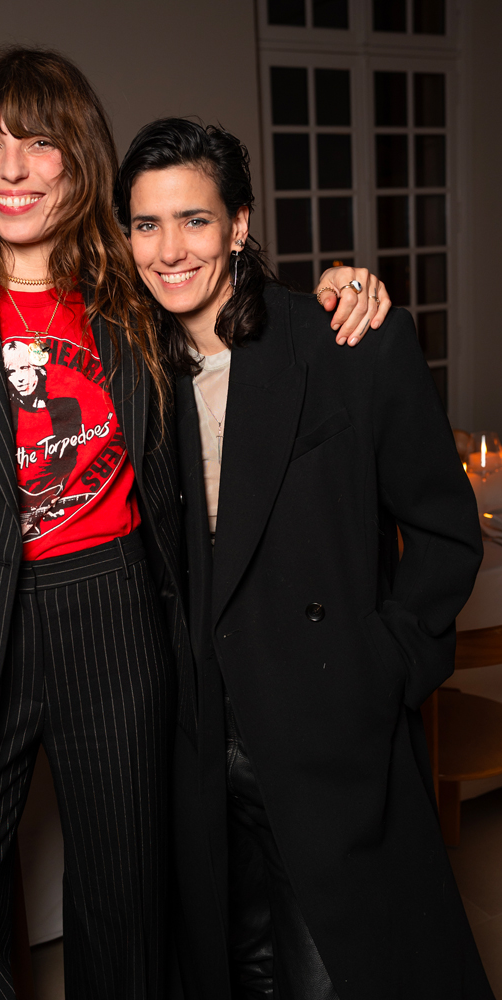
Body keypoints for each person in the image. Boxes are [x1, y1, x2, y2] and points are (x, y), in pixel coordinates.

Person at [0, 46, 389, 1000]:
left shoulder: (132, 297)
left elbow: (234, 303)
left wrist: (340, 287)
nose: (11, 169)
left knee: (125, 917)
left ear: (80, 158)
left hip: (114, 615)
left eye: (39, 143)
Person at [115, 119, 492, 1000]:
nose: (170, 251)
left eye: (195, 220)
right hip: (197, 747)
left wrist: (382, 667)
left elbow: (445, 531)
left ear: (239, 224)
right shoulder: (129, 369)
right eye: (146, 225)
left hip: (326, 727)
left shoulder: (345, 340)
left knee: (345, 972)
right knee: (237, 973)